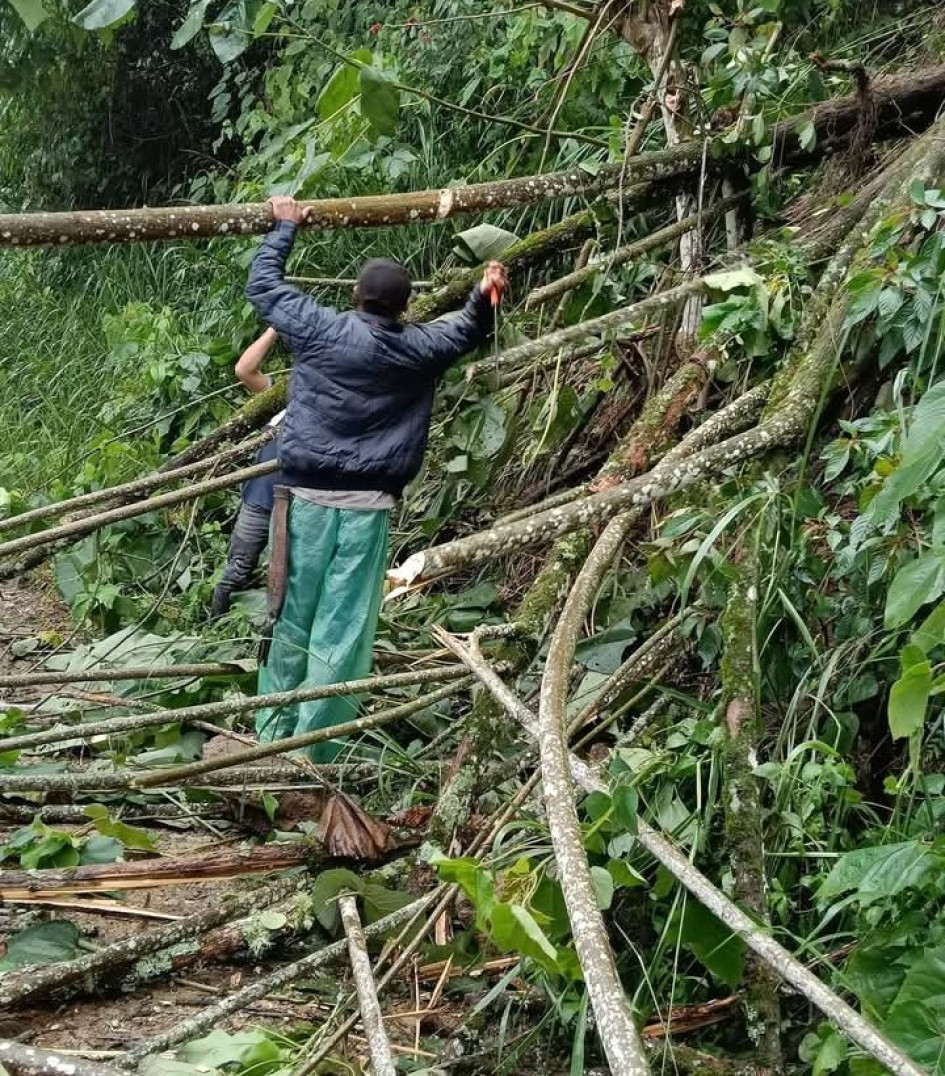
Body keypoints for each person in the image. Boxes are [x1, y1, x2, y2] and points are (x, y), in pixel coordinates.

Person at [246, 194, 507, 759]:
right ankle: (313, 753)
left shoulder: (319, 328)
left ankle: (268, 740)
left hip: (303, 502)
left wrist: (284, 227)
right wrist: (484, 297)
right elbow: (466, 330)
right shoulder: (420, 347)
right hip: (367, 508)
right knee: (341, 629)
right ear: (405, 306)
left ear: (354, 297)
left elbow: (264, 287)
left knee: (289, 613)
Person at [210, 328, 284, 618]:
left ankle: (270, 629)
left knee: (290, 575)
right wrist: (275, 327)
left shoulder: (332, 405)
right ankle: (214, 625)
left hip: (300, 506)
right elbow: (244, 369)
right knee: (236, 571)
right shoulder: (281, 397)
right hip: (260, 501)